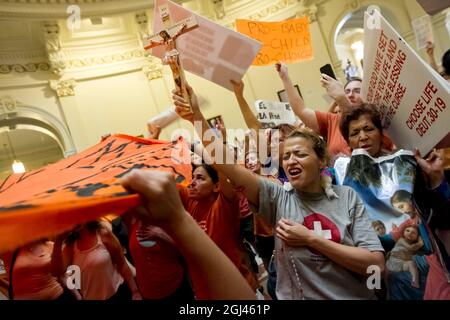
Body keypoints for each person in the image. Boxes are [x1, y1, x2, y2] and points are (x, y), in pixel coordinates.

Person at [172, 84, 385, 299]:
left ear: (321, 160)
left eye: (300, 154)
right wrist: (196, 117)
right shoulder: (278, 196)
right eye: (286, 156)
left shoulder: (346, 197)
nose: (291, 160)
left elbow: (375, 266)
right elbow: (229, 167)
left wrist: (311, 239)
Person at [335, 103, 450, 299]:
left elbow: (445, 213)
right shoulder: (339, 174)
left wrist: (435, 177)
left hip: (429, 264)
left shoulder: (406, 165)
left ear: (381, 133)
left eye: (369, 129)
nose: (362, 136)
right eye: (355, 133)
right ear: (348, 141)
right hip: (378, 272)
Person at [119, 170, 256, 300]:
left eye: (200, 178)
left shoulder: (224, 206)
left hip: (235, 288)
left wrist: (209, 148)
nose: (192, 182)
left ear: (216, 186)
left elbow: (226, 169)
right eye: (193, 177)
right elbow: (165, 185)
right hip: (204, 294)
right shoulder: (190, 201)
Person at [275, 61, 393, 160]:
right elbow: (301, 110)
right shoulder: (332, 120)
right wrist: (285, 77)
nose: (350, 95)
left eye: (357, 91)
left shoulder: (378, 119)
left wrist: (342, 98)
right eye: (347, 91)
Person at [51, 221, 141, 300]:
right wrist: (58, 243)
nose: (76, 221)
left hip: (119, 293)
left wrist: (135, 291)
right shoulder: (70, 247)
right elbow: (57, 273)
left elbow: (122, 264)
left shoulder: (102, 233)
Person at [9, 240, 77, 300]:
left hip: (57, 295)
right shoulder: (14, 249)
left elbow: (62, 275)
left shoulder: (51, 246)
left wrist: (77, 295)